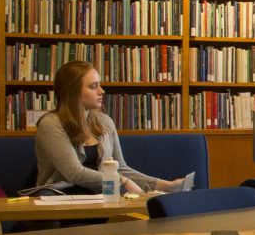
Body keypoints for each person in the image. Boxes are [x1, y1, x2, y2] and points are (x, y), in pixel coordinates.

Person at [33, 61, 190, 195]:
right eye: (94, 86)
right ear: (73, 91)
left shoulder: (104, 122)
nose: (102, 91)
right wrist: (122, 182)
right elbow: (74, 173)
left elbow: (120, 167)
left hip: (102, 193)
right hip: (61, 194)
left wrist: (164, 185)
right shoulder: (51, 124)